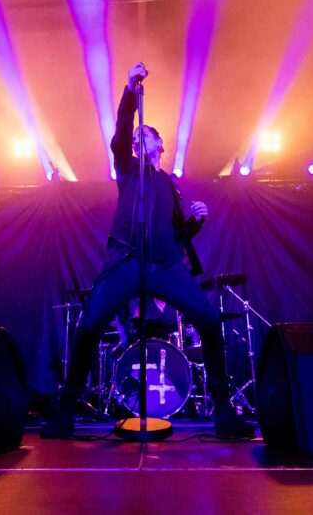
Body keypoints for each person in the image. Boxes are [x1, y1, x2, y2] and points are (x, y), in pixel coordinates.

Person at [42, 62, 253, 438]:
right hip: (126, 259)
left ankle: (223, 413)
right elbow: (120, 138)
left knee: (208, 320)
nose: (138, 138)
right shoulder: (128, 169)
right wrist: (129, 92)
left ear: (160, 144)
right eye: (137, 137)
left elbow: (173, 236)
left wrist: (194, 224)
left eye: (146, 135)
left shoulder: (170, 186)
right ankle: (65, 413)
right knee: (89, 326)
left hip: (166, 265)